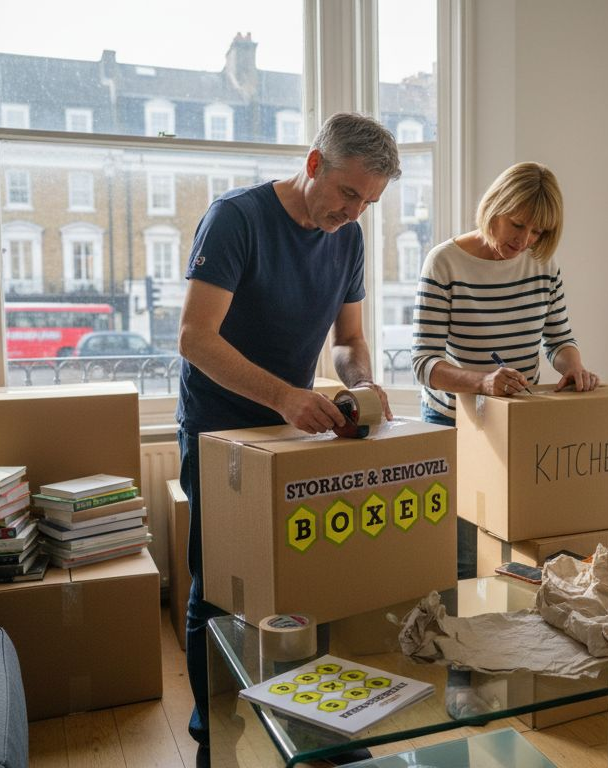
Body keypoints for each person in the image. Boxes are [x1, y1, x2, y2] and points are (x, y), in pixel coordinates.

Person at [176, 112, 400, 751]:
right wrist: (283, 398)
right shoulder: (236, 219)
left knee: (307, 585)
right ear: (313, 166)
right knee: (220, 591)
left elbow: (350, 341)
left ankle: (312, 728)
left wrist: (360, 382)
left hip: (292, 430)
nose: (353, 212)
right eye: (347, 193)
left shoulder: (348, 239)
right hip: (221, 430)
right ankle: (213, 736)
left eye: (369, 201)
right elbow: (195, 338)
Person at [411, 161, 598, 581]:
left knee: (519, 555)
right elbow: (423, 363)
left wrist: (576, 368)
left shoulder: (543, 266)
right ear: (493, 206)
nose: (525, 240)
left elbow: (558, 338)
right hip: (455, 425)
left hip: (519, 425)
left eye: (539, 233)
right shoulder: (444, 263)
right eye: (517, 225)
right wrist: (481, 382)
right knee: (463, 559)